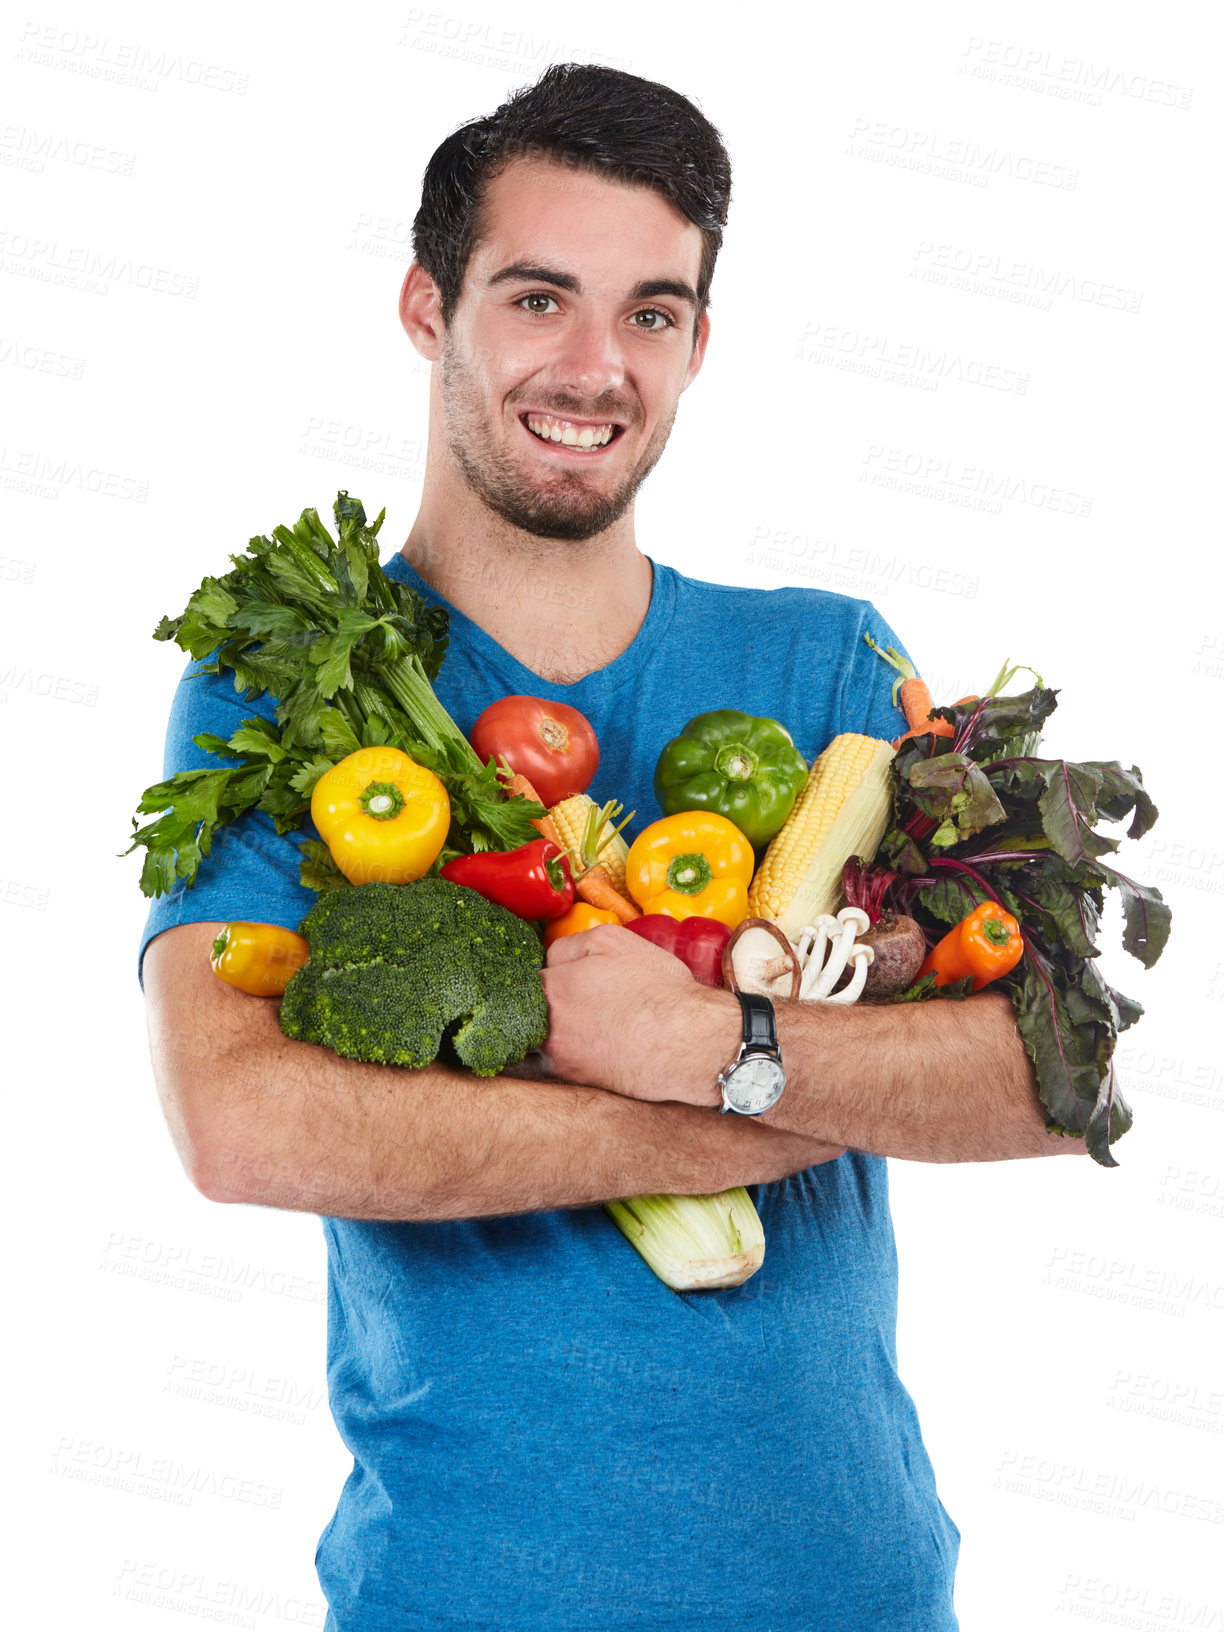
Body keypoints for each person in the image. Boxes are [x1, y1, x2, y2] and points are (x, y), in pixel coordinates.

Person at [141, 62, 1083, 1632]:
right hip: (461, 1598)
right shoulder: (276, 683)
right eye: (537, 299)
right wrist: (715, 1123)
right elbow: (236, 1121)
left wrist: (719, 1039)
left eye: (652, 312)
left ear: (700, 345)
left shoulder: (834, 671)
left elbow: (1052, 1075)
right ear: (425, 309)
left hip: (852, 1593)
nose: (595, 367)